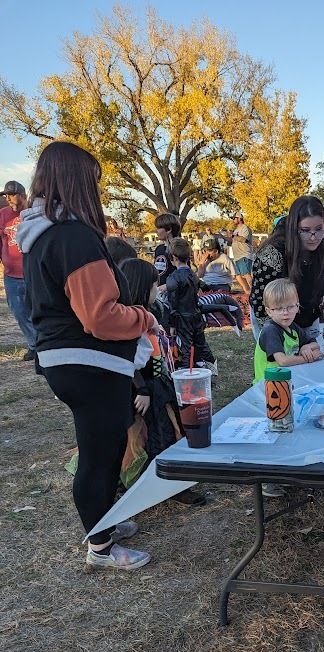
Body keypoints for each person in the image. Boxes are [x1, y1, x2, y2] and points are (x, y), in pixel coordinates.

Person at [17, 141, 159, 570]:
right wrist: (144, 318)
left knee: (108, 442)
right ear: (78, 181)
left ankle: (106, 520)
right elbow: (100, 317)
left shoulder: (43, 235)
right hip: (88, 362)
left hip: (72, 361)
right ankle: (100, 544)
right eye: (94, 182)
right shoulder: (74, 236)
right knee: (99, 452)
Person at [249, 195, 324, 348]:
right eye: (306, 231)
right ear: (295, 228)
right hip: (273, 313)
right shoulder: (274, 250)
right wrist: (274, 335)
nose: (313, 237)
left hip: (308, 310)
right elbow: (261, 297)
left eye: (319, 229)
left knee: (310, 360)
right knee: (279, 363)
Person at [118, 257, 184, 459]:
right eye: (154, 285)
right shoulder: (130, 322)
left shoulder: (149, 313)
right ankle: (150, 477)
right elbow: (128, 360)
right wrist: (142, 389)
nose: (158, 289)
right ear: (142, 287)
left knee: (164, 427)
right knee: (151, 434)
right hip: (142, 389)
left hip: (158, 385)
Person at [253, 278, 323, 382]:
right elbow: (283, 361)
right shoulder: (270, 330)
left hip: (287, 382)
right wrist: (308, 358)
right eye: (278, 308)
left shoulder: (293, 327)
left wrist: (305, 347)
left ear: (297, 306)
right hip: (268, 386)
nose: (285, 312)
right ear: (269, 311)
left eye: (290, 307)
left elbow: (315, 344)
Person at [165, 237, 217, 373]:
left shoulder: (173, 278)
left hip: (183, 317)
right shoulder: (193, 275)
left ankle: (188, 375)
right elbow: (204, 286)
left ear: (173, 257)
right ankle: (212, 367)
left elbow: (173, 303)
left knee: (186, 347)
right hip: (196, 314)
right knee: (201, 343)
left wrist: (171, 324)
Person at [0, 180, 37, 360]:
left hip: (33, 273)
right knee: (19, 312)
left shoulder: (33, 213)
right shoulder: (3, 215)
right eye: (5, 195)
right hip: (11, 275)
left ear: (22, 195)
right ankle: (34, 345)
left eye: (11, 194)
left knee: (38, 310)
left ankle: (45, 344)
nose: (7, 198)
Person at [153, 212, 181, 284]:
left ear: (168, 229)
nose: (156, 231)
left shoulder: (179, 247)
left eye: (159, 228)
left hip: (174, 291)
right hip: (159, 291)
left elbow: (184, 273)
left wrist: (167, 286)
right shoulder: (159, 248)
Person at [231, 213, 253, 295]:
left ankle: (255, 291)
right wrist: (221, 236)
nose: (233, 220)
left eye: (234, 218)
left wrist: (232, 236)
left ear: (239, 218)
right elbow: (232, 240)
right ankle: (248, 293)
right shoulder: (236, 230)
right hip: (237, 256)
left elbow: (244, 239)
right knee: (238, 276)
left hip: (244, 255)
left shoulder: (245, 228)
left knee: (246, 275)